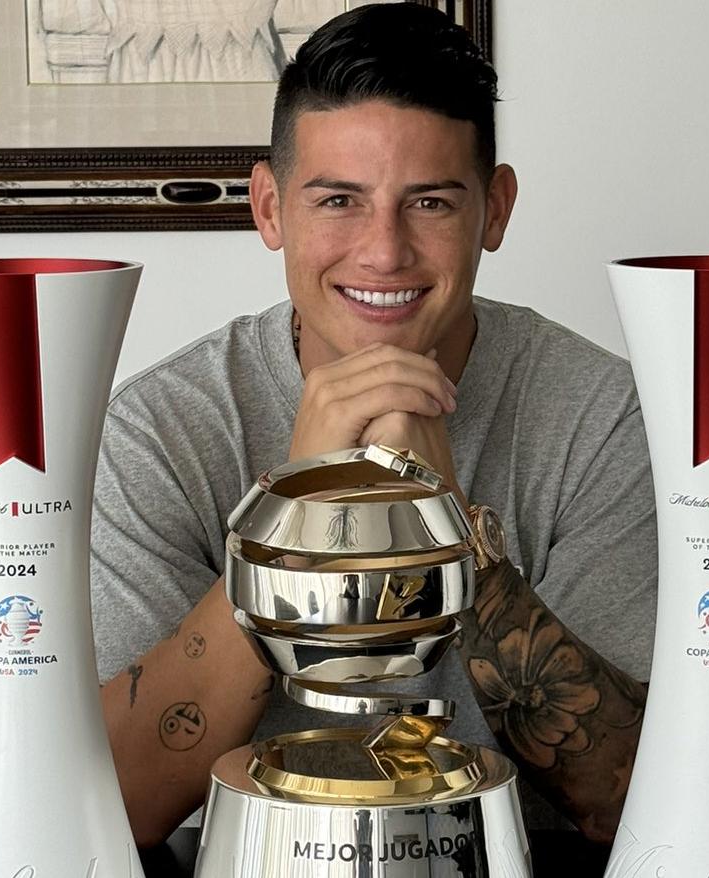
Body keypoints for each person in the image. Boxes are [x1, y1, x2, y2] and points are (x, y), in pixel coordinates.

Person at [90, 2, 656, 847]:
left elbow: (641, 799)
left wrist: (450, 529)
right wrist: (295, 514)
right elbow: (111, 808)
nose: (384, 251)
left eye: (429, 201)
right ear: (270, 208)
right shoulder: (159, 431)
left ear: (494, 210)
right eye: (339, 201)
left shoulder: (600, 418)